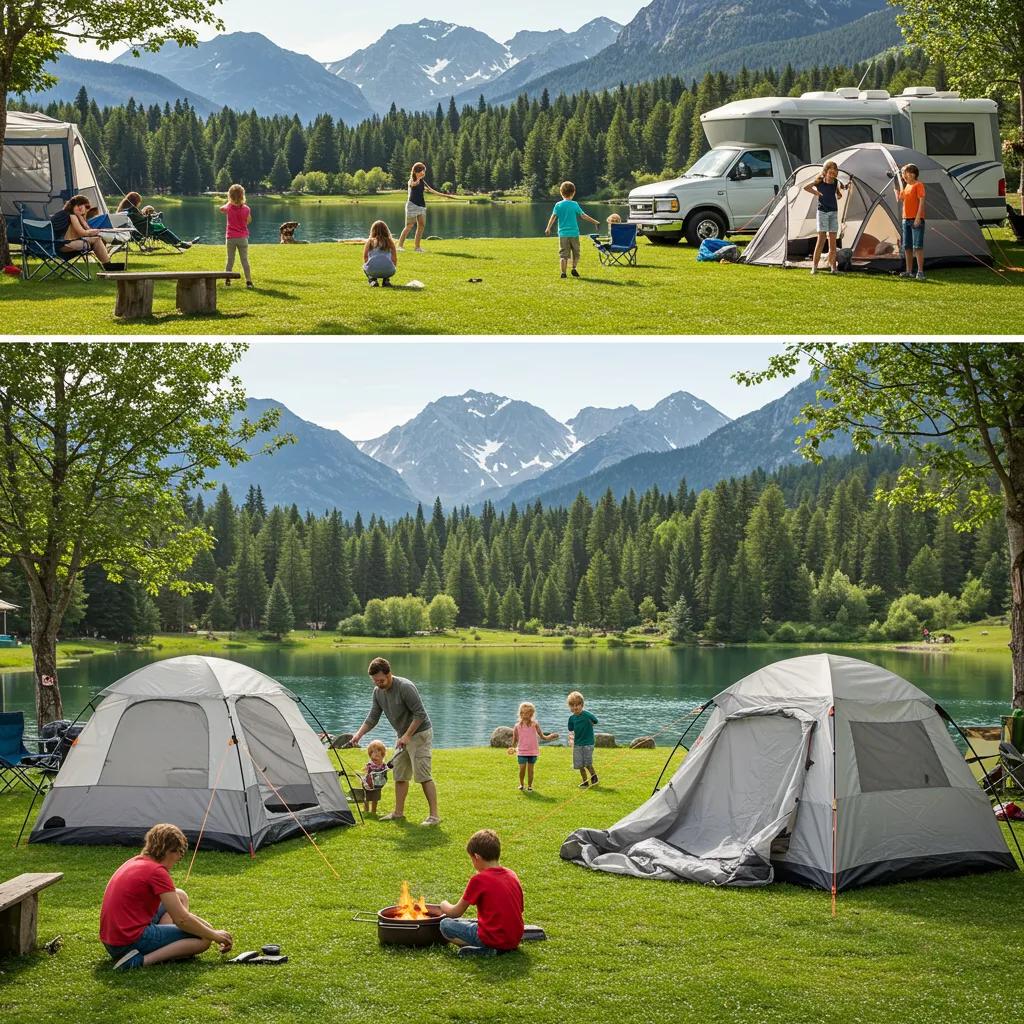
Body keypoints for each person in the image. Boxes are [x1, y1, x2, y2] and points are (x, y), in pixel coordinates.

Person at [99, 823, 233, 971]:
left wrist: (209, 929)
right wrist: (214, 935)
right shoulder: (157, 872)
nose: (179, 858)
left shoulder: (136, 861)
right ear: (169, 851)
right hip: (129, 942)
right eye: (180, 853)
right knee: (203, 939)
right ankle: (139, 961)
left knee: (180, 896)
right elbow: (182, 919)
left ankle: (164, 942)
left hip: (112, 941)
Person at [346, 657, 440, 825]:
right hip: (403, 736)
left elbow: (420, 714)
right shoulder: (378, 692)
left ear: (389, 674)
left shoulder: (405, 687)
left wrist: (407, 735)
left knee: (423, 775)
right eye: (375, 681)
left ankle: (434, 816)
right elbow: (373, 717)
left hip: (419, 733)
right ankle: (398, 813)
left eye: (381, 680)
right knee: (400, 775)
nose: (378, 684)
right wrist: (358, 735)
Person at [439, 829, 524, 957]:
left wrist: (443, 904)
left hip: (492, 938)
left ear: (477, 857)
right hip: (514, 938)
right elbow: (520, 909)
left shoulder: (479, 879)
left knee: (445, 924)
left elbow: (455, 912)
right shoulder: (512, 874)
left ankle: (486, 949)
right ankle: (498, 947)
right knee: (467, 922)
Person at [50, 195, 124, 271]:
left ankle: (107, 265)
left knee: (95, 240)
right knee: (97, 240)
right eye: (86, 207)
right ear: (78, 206)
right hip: (63, 246)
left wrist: (81, 217)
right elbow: (83, 233)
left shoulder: (62, 214)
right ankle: (108, 265)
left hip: (51, 247)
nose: (85, 210)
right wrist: (97, 231)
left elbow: (84, 230)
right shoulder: (72, 216)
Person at [545, 181, 600, 279]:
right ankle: (574, 268)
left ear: (561, 192)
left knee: (563, 255)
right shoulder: (574, 204)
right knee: (576, 253)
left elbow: (553, 217)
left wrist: (548, 227)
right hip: (574, 233)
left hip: (563, 234)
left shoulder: (558, 205)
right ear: (573, 192)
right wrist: (595, 222)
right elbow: (583, 216)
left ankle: (563, 273)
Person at [803, 160, 850, 274]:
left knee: (833, 243)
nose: (832, 175)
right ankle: (814, 267)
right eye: (830, 172)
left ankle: (833, 268)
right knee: (821, 239)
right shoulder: (819, 181)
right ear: (825, 172)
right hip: (822, 212)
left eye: (834, 173)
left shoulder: (835, 182)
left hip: (833, 212)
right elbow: (806, 187)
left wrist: (841, 192)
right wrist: (816, 193)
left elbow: (839, 190)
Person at [397, 162, 452, 253]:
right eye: (422, 171)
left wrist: (445, 195)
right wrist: (418, 179)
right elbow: (413, 184)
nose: (423, 173)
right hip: (412, 205)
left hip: (421, 205)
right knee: (409, 225)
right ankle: (399, 246)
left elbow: (431, 190)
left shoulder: (422, 182)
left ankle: (417, 247)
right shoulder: (411, 180)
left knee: (421, 225)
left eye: (424, 171)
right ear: (416, 171)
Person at [507, 702, 558, 792]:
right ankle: (521, 784)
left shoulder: (535, 724)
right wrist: (512, 748)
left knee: (530, 770)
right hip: (521, 751)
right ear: (520, 713)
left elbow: (542, 736)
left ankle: (530, 786)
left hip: (532, 751)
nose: (524, 715)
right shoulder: (517, 726)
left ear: (531, 714)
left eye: (527, 713)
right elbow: (514, 740)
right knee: (522, 769)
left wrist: (550, 736)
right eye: (522, 713)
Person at [116, 192, 193, 249]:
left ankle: (178, 242)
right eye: (139, 201)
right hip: (143, 231)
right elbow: (143, 220)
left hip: (132, 233)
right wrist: (150, 216)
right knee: (163, 230)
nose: (139, 203)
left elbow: (139, 219)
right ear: (135, 201)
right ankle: (179, 243)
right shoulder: (133, 210)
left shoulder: (122, 210)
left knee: (160, 229)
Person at [895, 162, 926, 280]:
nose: (903, 175)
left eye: (905, 173)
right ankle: (909, 271)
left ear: (912, 174)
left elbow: (922, 202)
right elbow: (900, 199)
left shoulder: (918, 185)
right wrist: (897, 188)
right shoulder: (906, 186)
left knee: (917, 246)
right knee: (907, 247)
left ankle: (920, 272)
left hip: (916, 219)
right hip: (905, 219)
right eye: (903, 174)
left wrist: (918, 218)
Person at [220, 184, 253, 288]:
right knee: (244, 260)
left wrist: (229, 202)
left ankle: (227, 280)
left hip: (230, 238)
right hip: (242, 238)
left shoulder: (228, 207)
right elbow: (249, 220)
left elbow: (221, 209)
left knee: (230, 259)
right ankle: (248, 281)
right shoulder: (246, 209)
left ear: (230, 196)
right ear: (243, 195)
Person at [567, 690, 599, 788]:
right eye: (572, 705)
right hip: (578, 743)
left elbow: (595, 720)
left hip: (588, 743)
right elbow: (570, 728)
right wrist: (571, 737)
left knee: (587, 763)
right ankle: (585, 781)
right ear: (570, 707)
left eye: (577, 705)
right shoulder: (572, 718)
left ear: (582, 705)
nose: (575, 707)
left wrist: (591, 722)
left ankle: (594, 776)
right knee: (580, 765)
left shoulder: (587, 714)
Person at [363, 220, 398, 287]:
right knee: (387, 262)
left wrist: (369, 266)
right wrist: (392, 267)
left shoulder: (370, 241)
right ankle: (386, 280)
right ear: (386, 230)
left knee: (364, 267)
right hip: (389, 270)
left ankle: (372, 280)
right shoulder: (390, 241)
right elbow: (394, 258)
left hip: (372, 271)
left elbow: (365, 257)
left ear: (373, 230)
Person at [361, 739, 390, 814]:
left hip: (377, 784)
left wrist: (386, 769)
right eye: (372, 754)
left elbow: (387, 770)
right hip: (368, 784)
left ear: (382, 755)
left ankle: (373, 811)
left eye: (377, 755)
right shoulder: (370, 764)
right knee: (366, 798)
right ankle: (366, 810)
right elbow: (366, 771)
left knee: (375, 799)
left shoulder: (383, 765)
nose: (375, 757)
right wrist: (366, 770)